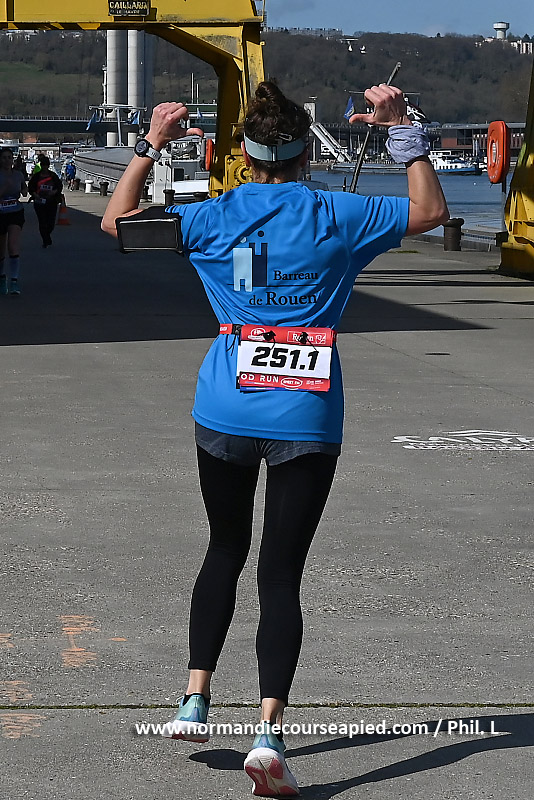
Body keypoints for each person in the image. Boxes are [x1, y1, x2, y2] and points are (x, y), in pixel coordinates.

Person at [102, 82, 448, 796]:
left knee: (223, 549)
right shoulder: (339, 213)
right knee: (281, 574)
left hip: (225, 407)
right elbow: (430, 213)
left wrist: (152, 143)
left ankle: (194, 698)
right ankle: (268, 734)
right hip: (306, 414)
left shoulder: (212, 214)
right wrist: (402, 130)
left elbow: (117, 222)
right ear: (303, 155)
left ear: (245, 154)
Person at [0, 146, 28, 295]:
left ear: (13, 159)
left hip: (15, 211)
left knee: (12, 245)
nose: (7, 160)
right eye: (4, 158)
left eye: (9, 158)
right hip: (1, 213)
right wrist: (4, 189)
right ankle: (2, 278)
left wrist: (24, 191)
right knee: (1, 250)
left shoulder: (18, 175)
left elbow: (24, 188)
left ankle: (14, 281)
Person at [28, 156, 63, 248]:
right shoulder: (36, 177)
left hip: (51, 202)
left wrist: (54, 192)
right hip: (39, 202)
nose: (44, 167)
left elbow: (59, 186)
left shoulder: (53, 176)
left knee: (51, 223)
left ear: (48, 166)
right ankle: (45, 239)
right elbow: (31, 187)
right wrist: (35, 194)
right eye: (43, 165)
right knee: (42, 221)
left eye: (46, 165)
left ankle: (47, 235)